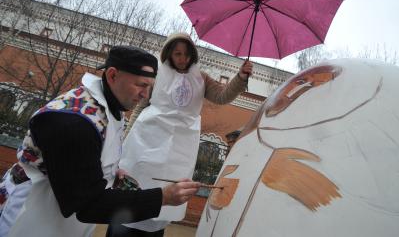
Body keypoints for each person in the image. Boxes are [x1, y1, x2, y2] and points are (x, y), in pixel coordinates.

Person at [0, 45, 200, 237]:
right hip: (30, 215)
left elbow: (87, 162)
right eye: (141, 85)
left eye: (150, 87)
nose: (145, 95)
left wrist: (112, 173)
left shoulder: (110, 104)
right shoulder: (73, 122)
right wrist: (163, 197)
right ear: (112, 75)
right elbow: (87, 204)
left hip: (62, 217)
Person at [108, 33, 253, 236]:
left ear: (192, 55)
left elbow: (222, 96)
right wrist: (126, 138)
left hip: (180, 149)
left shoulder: (201, 78)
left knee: (168, 196)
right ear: (169, 53)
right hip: (147, 141)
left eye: (186, 54)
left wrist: (241, 78)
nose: (182, 58)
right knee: (138, 188)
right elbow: (141, 108)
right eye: (177, 53)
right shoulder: (156, 75)